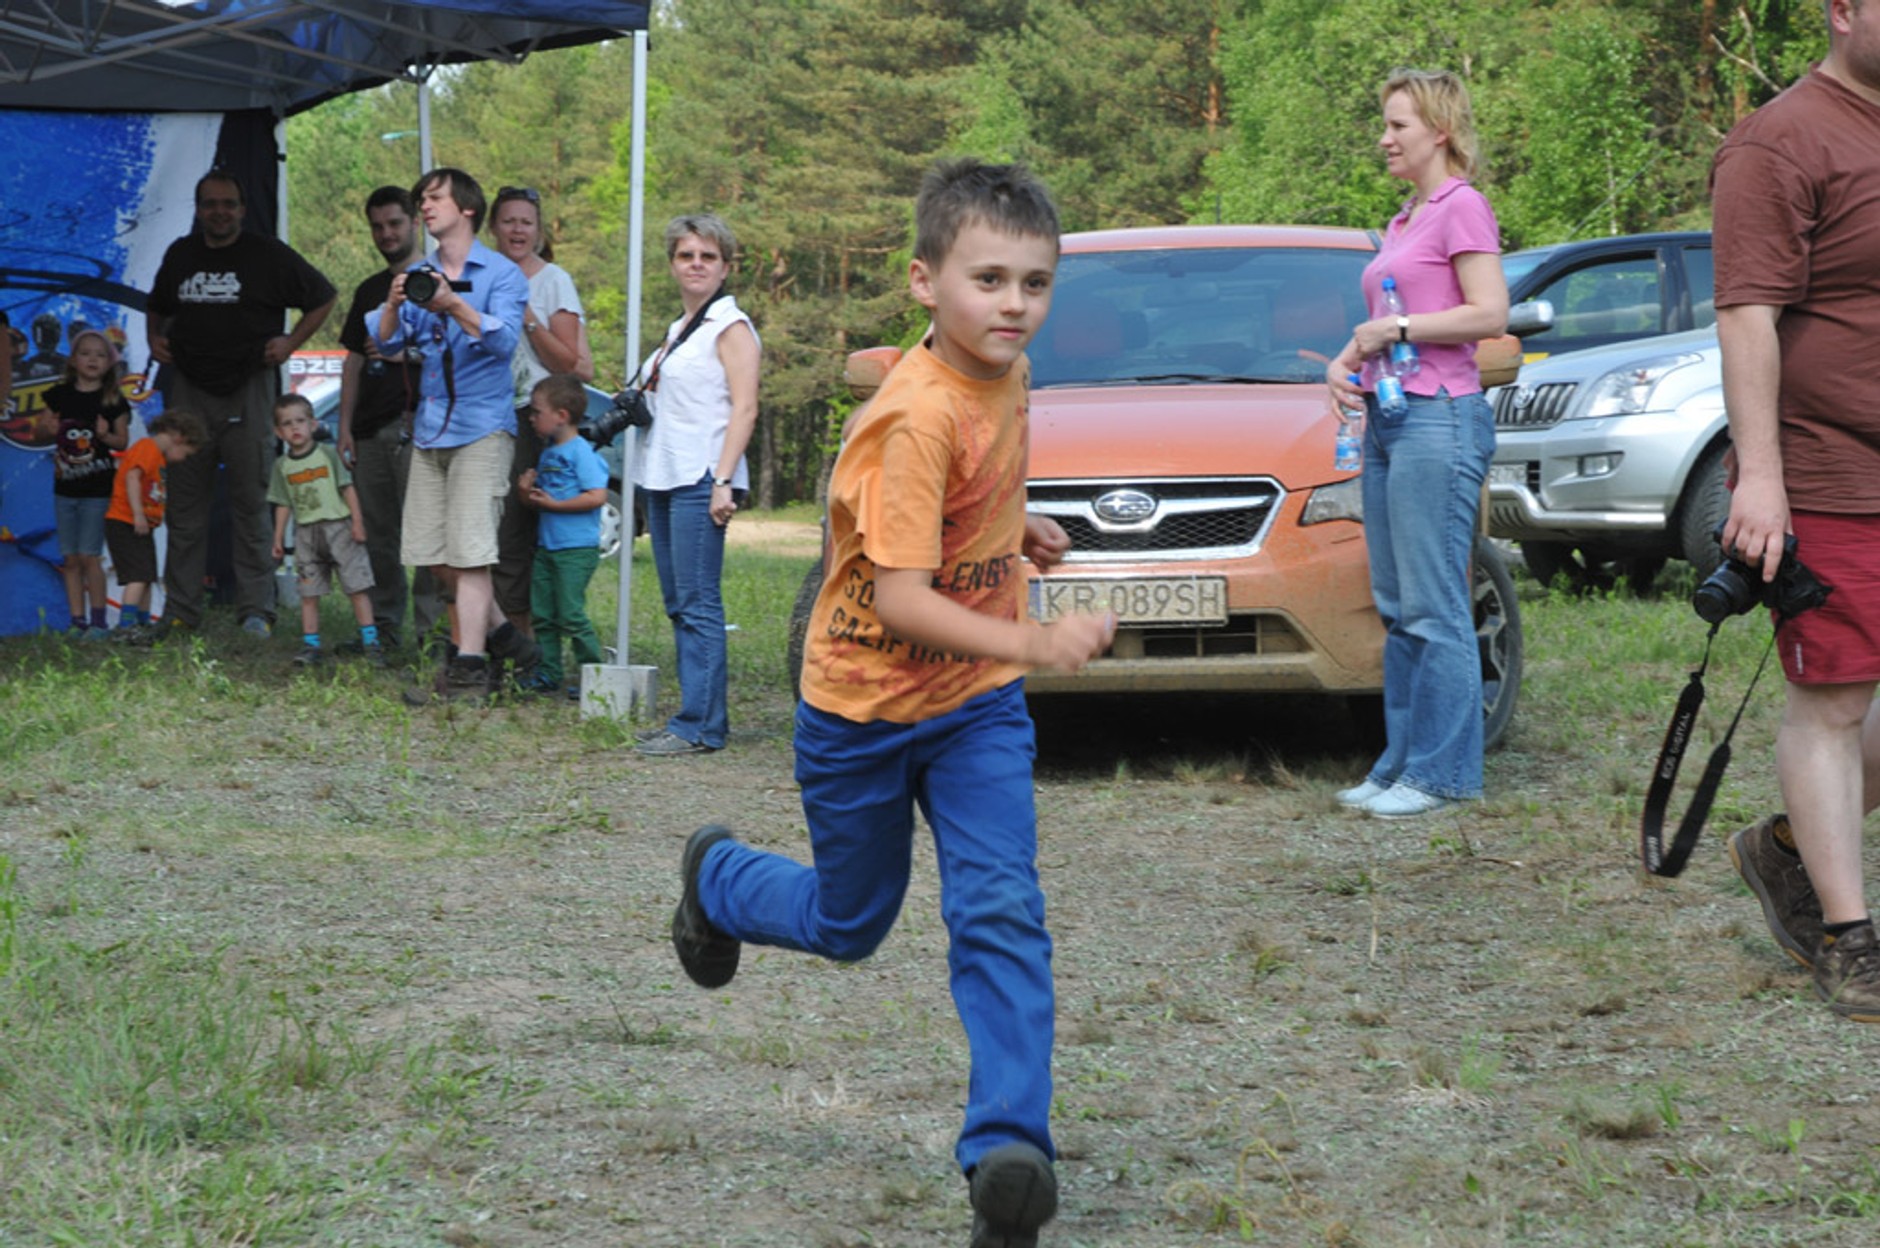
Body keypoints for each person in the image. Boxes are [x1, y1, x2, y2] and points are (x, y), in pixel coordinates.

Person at [668, 159, 1114, 1248]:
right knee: (848, 921)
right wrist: (1033, 637)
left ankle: (1008, 1152)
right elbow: (905, 598)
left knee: (1000, 908)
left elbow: (965, 508)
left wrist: (1019, 530)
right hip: (861, 708)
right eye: (989, 280)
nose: (1013, 305)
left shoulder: (1001, 372)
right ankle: (718, 881)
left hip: (973, 710)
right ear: (925, 281)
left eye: (1034, 283)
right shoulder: (911, 418)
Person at [1715, 0, 1880, 1023]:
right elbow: (1745, 315)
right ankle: (1847, 939)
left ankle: (1782, 850)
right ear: (1842, 12)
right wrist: (1759, 475)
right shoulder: (1777, 141)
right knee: (1834, 701)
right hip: (1826, 470)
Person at [1325, 68, 1508, 820]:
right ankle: (1400, 764)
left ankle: (1443, 775)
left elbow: (1489, 312)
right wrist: (1347, 359)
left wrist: (1394, 331)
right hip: (1389, 417)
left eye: (1397, 125)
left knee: (1435, 605)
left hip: (1441, 417)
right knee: (1398, 604)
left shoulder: (1462, 208)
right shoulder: (1407, 218)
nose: (1384, 138)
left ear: (1438, 130)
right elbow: (1391, 313)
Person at [146, 169, 337, 640]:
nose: (219, 211)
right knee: (185, 506)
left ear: (242, 209)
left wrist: (292, 341)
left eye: (228, 203)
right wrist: (154, 338)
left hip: (248, 387)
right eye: (210, 203)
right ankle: (180, 611)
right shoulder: (180, 253)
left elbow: (324, 295)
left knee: (252, 501)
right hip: (189, 388)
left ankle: (256, 610)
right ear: (198, 208)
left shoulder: (266, 254)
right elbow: (158, 303)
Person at [370, 167, 535, 703]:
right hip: (430, 430)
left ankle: (468, 668)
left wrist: (455, 305)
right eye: (421, 199)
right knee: (428, 550)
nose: (425, 207)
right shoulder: (418, 271)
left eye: (434, 198)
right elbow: (387, 347)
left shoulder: (503, 275)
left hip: (483, 427)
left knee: (470, 554)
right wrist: (395, 305)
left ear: (466, 208)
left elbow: (504, 341)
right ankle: (507, 637)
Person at [633, 213, 761, 757]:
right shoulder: (680, 330)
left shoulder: (730, 327)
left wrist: (723, 482)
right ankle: (696, 717)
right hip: (664, 474)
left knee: (698, 601)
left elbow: (746, 406)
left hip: (702, 475)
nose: (696, 265)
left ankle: (700, 727)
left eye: (708, 257)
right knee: (678, 602)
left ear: (725, 267)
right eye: (687, 256)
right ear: (672, 265)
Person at [335, 185, 441, 652]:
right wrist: (342, 428)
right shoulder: (369, 290)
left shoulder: (440, 280)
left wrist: (406, 355)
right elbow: (353, 360)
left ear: (415, 222)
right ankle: (381, 628)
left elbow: (456, 352)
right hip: (369, 429)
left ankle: (433, 633)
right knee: (376, 535)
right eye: (378, 226)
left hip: (421, 423)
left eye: (395, 223)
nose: (386, 234)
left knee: (426, 535)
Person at [488, 184, 596, 639]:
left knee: (528, 524)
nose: (517, 229)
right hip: (488, 416)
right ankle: (508, 638)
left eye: (526, 222)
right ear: (493, 227)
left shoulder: (554, 281)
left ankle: (535, 640)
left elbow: (571, 365)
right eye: (509, 221)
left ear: (538, 230)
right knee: (500, 531)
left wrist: (527, 314)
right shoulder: (481, 274)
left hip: (538, 418)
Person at [267, 394, 381, 668]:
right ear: (278, 432)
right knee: (309, 591)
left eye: (300, 421)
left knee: (356, 586)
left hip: (338, 527)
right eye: (287, 424)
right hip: (306, 532)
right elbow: (283, 503)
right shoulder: (282, 466)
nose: (295, 428)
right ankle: (311, 644)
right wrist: (278, 536)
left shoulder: (328, 454)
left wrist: (357, 522)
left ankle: (371, 642)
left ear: (313, 424)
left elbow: (347, 488)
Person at [516, 373, 607, 698]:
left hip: (575, 549)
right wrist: (527, 493)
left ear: (562, 416)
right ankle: (549, 673)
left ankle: (594, 676)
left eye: (537, 412)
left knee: (570, 613)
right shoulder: (549, 452)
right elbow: (541, 502)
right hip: (548, 547)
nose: (531, 417)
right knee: (543, 613)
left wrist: (557, 504)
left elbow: (597, 495)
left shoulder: (580, 451)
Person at [36, 329, 131, 637]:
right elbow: (39, 431)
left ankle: (100, 621)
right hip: (64, 489)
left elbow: (122, 441)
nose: (93, 359)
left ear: (109, 364)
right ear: (74, 360)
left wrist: (104, 434)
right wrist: (47, 428)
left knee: (90, 555)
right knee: (70, 557)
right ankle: (77, 620)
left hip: (97, 490)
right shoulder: (59, 394)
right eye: (86, 353)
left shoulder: (112, 399)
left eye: (100, 355)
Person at [104, 409, 209, 640]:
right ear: (179, 438)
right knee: (137, 576)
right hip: (126, 521)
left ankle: (142, 622)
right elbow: (132, 477)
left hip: (139, 524)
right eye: (186, 453)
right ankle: (125, 625)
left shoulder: (157, 456)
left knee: (147, 575)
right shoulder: (147, 448)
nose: (183, 459)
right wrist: (138, 513)